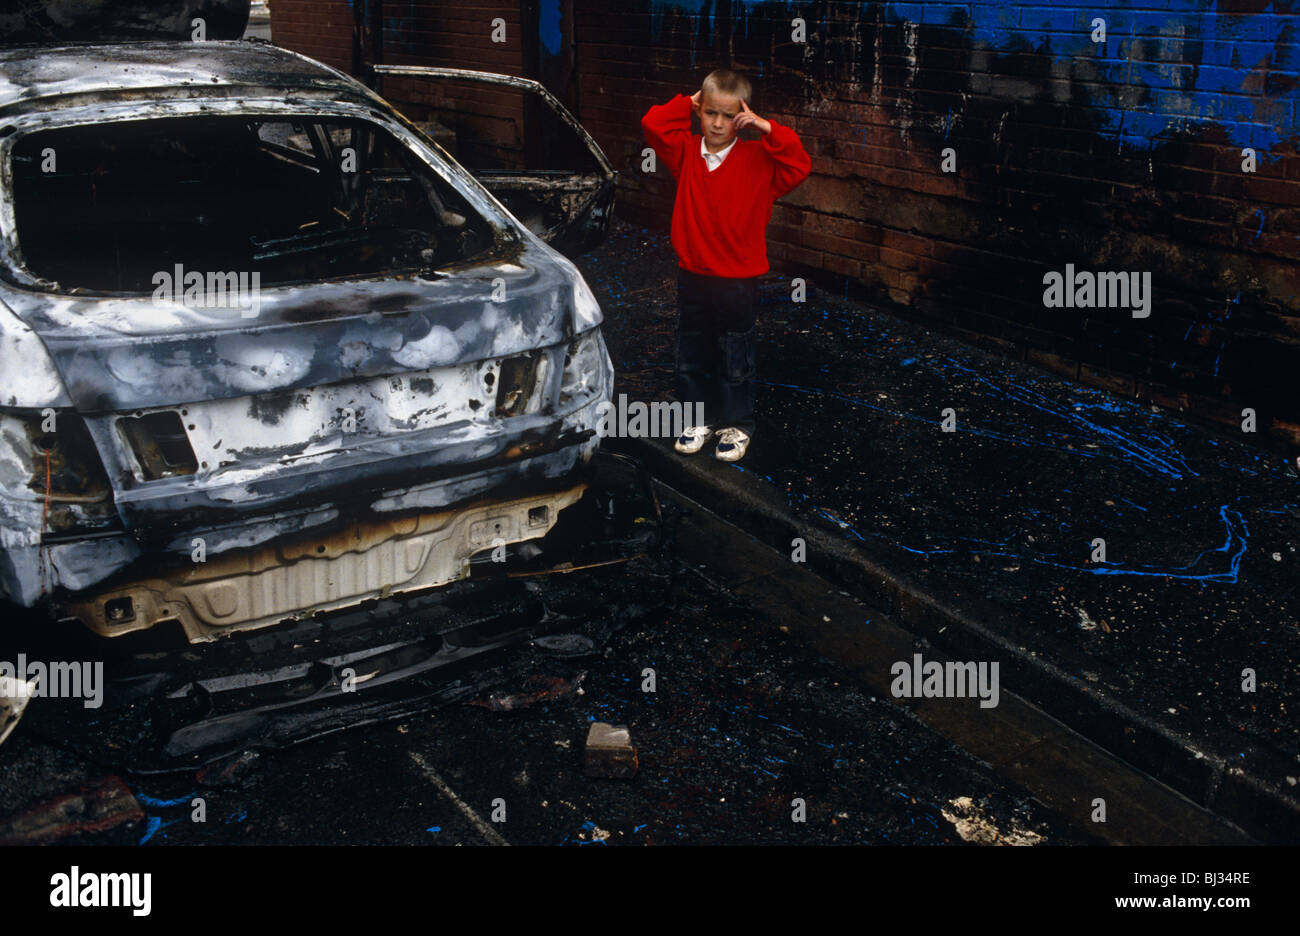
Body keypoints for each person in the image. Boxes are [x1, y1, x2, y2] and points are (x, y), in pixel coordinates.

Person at [640, 68, 811, 462]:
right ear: (700, 112)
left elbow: (799, 164)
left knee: (735, 352)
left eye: (728, 115)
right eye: (710, 113)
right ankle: (698, 418)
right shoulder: (684, 152)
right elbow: (653, 123)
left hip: (737, 280)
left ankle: (738, 424)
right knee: (692, 350)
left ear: (743, 117)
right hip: (693, 274)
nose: (718, 123)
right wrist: (689, 100)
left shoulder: (758, 160)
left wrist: (768, 128)